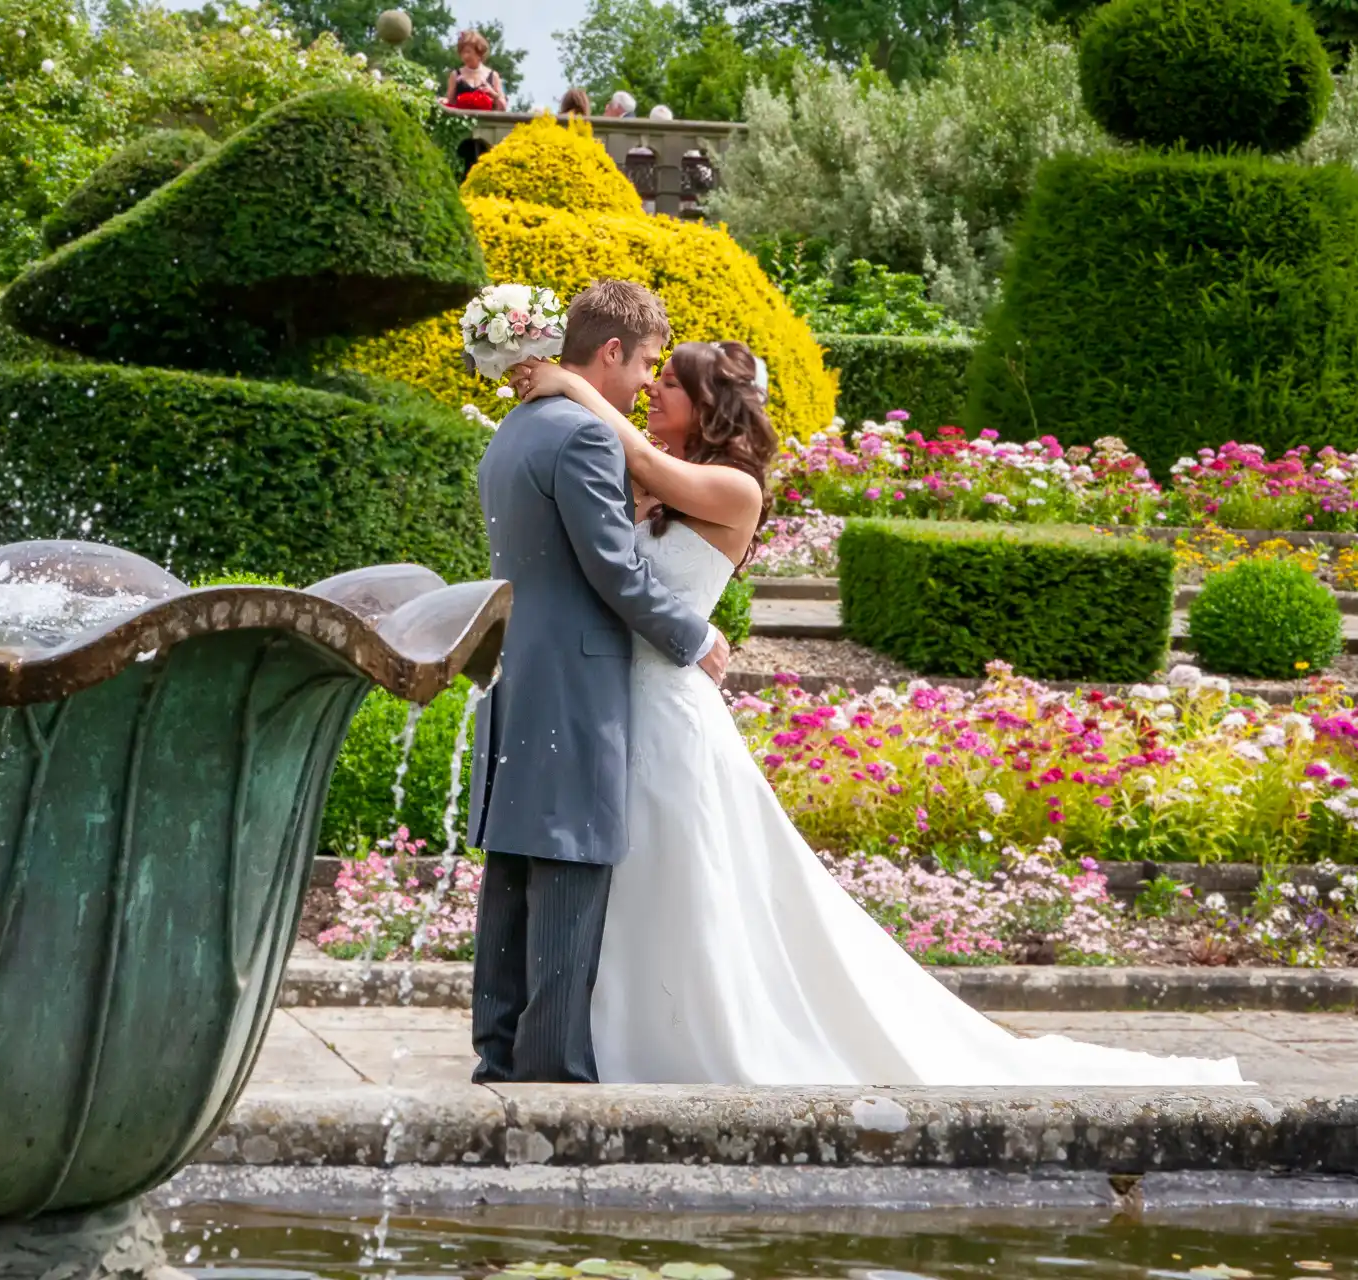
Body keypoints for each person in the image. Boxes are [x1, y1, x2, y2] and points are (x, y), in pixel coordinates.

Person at [505, 345, 1245, 1088]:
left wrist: (568, 382)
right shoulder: (658, 488)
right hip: (613, 703)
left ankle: (684, 1042)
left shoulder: (732, 487)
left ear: (711, 405)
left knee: (674, 872)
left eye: (671, 383)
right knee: (629, 879)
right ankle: (606, 1037)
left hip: (668, 712)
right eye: (654, 376)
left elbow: (641, 458)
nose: (653, 391)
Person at [467, 280, 730, 1085]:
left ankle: (498, 1056)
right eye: (646, 363)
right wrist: (695, 635)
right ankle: (551, 1075)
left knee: (513, 871)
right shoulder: (583, 435)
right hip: (575, 682)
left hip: (516, 671)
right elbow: (613, 569)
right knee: (569, 866)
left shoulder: (515, 428)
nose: (647, 382)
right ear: (610, 351)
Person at [440, 29, 506, 112]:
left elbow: (503, 108)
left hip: (486, 120)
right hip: (461, 119)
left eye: (468, 52)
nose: (465, 56)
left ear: (479, 52)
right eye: (462, 52)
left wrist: (493, 94)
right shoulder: (455, 75)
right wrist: (442, 101)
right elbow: (450, 102)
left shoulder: (493, 76)